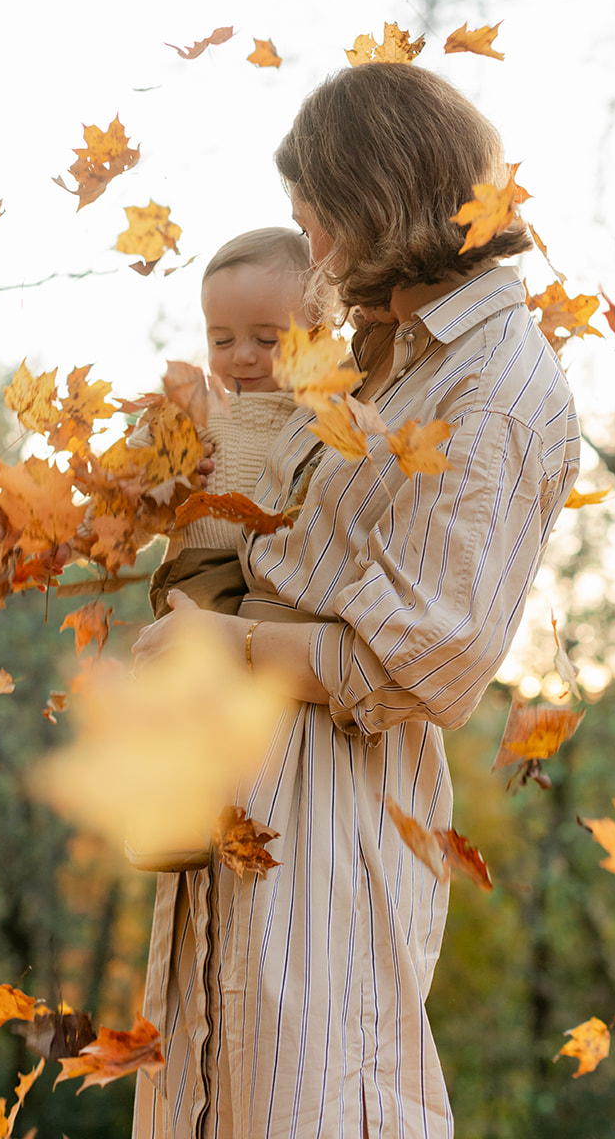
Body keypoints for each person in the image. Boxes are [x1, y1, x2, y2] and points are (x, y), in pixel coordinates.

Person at [131, 61, 582, 1139]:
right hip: (240, 785)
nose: (313, 256)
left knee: (323, 1098)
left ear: (375, 204)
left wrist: (221, 641)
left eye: (315, 225)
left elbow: (422, 660)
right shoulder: (380, 357)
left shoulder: (493, 384)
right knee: (212, 1090)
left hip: (331, 807)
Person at [144, 226, 315, 622]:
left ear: (320, 332)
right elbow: (122, 488)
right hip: (208, 572)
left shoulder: (327, 413)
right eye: (221, 341)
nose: (241, 356)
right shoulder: (193, 407)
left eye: (267, 340)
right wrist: (155, 489)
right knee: (199, 655)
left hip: (291, 576)